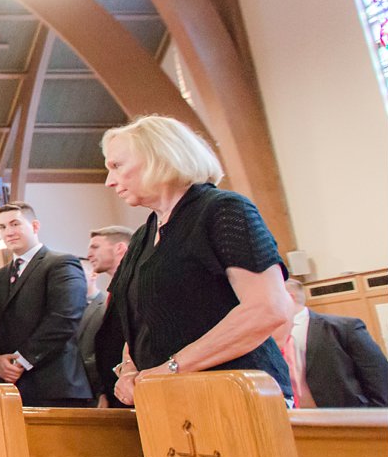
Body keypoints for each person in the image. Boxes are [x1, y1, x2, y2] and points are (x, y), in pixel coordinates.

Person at [101, 115, 294, 405]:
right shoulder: (143, 234)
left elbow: (267, 308)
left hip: (236, 394)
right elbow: (139, 321)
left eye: (117, 166)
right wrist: (129, 371)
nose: (109, 181)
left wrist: (171, 369)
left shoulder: (223, 211)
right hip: (170, 399)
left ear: (160, 156)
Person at [0, 201, 92, 406]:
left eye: (15, 224)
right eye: (2, 227)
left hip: (54, 384)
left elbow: (64, 318)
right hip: (8, 388)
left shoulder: (61, 264)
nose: (8, 232)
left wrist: (21, 360)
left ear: (35, 226)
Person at [280, 279, 387, 408]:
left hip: (349, 419)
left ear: (289, 297)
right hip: (294, 422)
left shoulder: (344, 328)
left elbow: (380, 380)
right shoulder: (265, 339)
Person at [77, 226, 132, 406]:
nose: (89, 253)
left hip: (134, 387)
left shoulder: (134, 286)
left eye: (95, 247)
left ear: (119, 248)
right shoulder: (115, 289)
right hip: (113, 391)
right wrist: (104, 392)